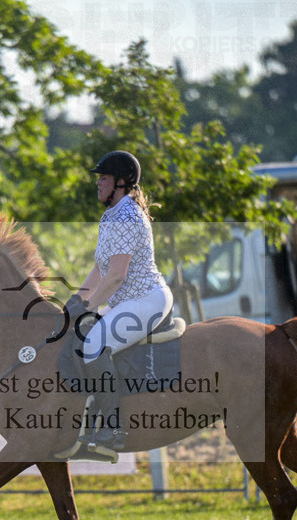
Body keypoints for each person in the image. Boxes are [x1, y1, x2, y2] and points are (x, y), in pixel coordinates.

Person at [64, 151, 173, 456]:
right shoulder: (111, 215)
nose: (97, 183)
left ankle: (113, 429)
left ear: (121, 182)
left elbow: (116, 275)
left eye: (104, 178)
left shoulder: (125, 216)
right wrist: (76, 299)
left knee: (92, 345)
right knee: (82, 335)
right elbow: (99, 270)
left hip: (146, 299)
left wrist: (88, 307)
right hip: (128, 300)